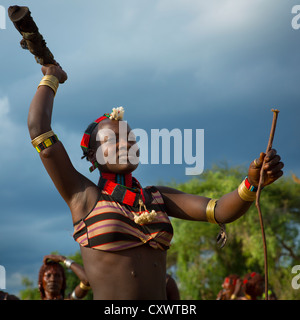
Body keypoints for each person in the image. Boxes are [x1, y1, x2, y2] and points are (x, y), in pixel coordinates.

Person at [27, 64, 284, 300]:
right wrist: (52, 77)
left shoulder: (158, 198)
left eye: (130, 137)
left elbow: (220, 210)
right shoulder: (84, 197)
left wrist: (252, 182)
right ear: (93, 156)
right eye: (112, 140)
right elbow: (39, 128)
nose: (126, 142)